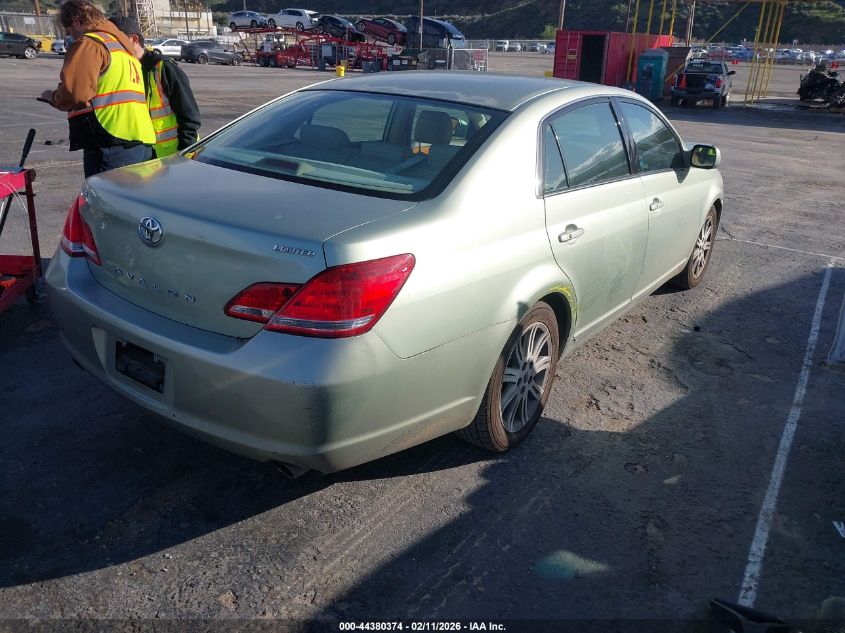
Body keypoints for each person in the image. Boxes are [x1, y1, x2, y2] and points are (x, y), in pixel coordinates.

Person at [40, 0, 155, 178]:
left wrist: (54, 97)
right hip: (141, 140)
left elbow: (75, 92)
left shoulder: (90, 44)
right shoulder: (123, 49)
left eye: (69, 31)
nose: (71, 37)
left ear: (77, 20)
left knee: (106, 202)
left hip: (110, 142)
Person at [110, 16, 201, 158]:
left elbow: (189, 115)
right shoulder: (122, 71)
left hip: (174, 155)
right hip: (142, 156)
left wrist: (185, 152)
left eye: (115, 41)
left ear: (133, 40)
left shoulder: (164, 68)